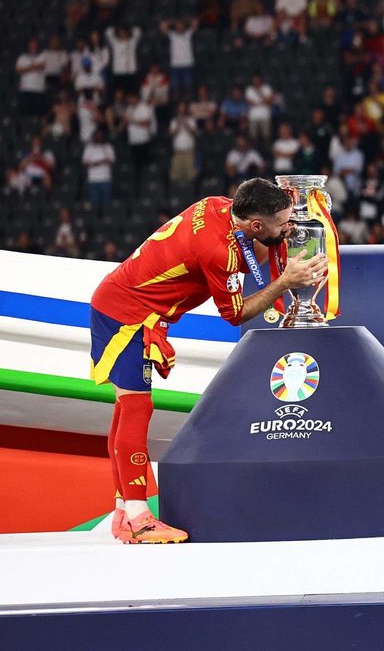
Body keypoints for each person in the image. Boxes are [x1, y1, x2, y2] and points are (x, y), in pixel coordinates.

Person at [89, 178, 327, 543]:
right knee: (136, 407)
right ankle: (138, 517)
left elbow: (251, 249)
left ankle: (124, 509)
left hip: (121, 302)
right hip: (130, 315)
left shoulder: (217, 205)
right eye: (282, 224)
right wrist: (284, 283)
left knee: (126, 408)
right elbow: (235, 314)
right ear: (256, 225)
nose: (288, 228)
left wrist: (281, 232)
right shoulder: (219, 252)